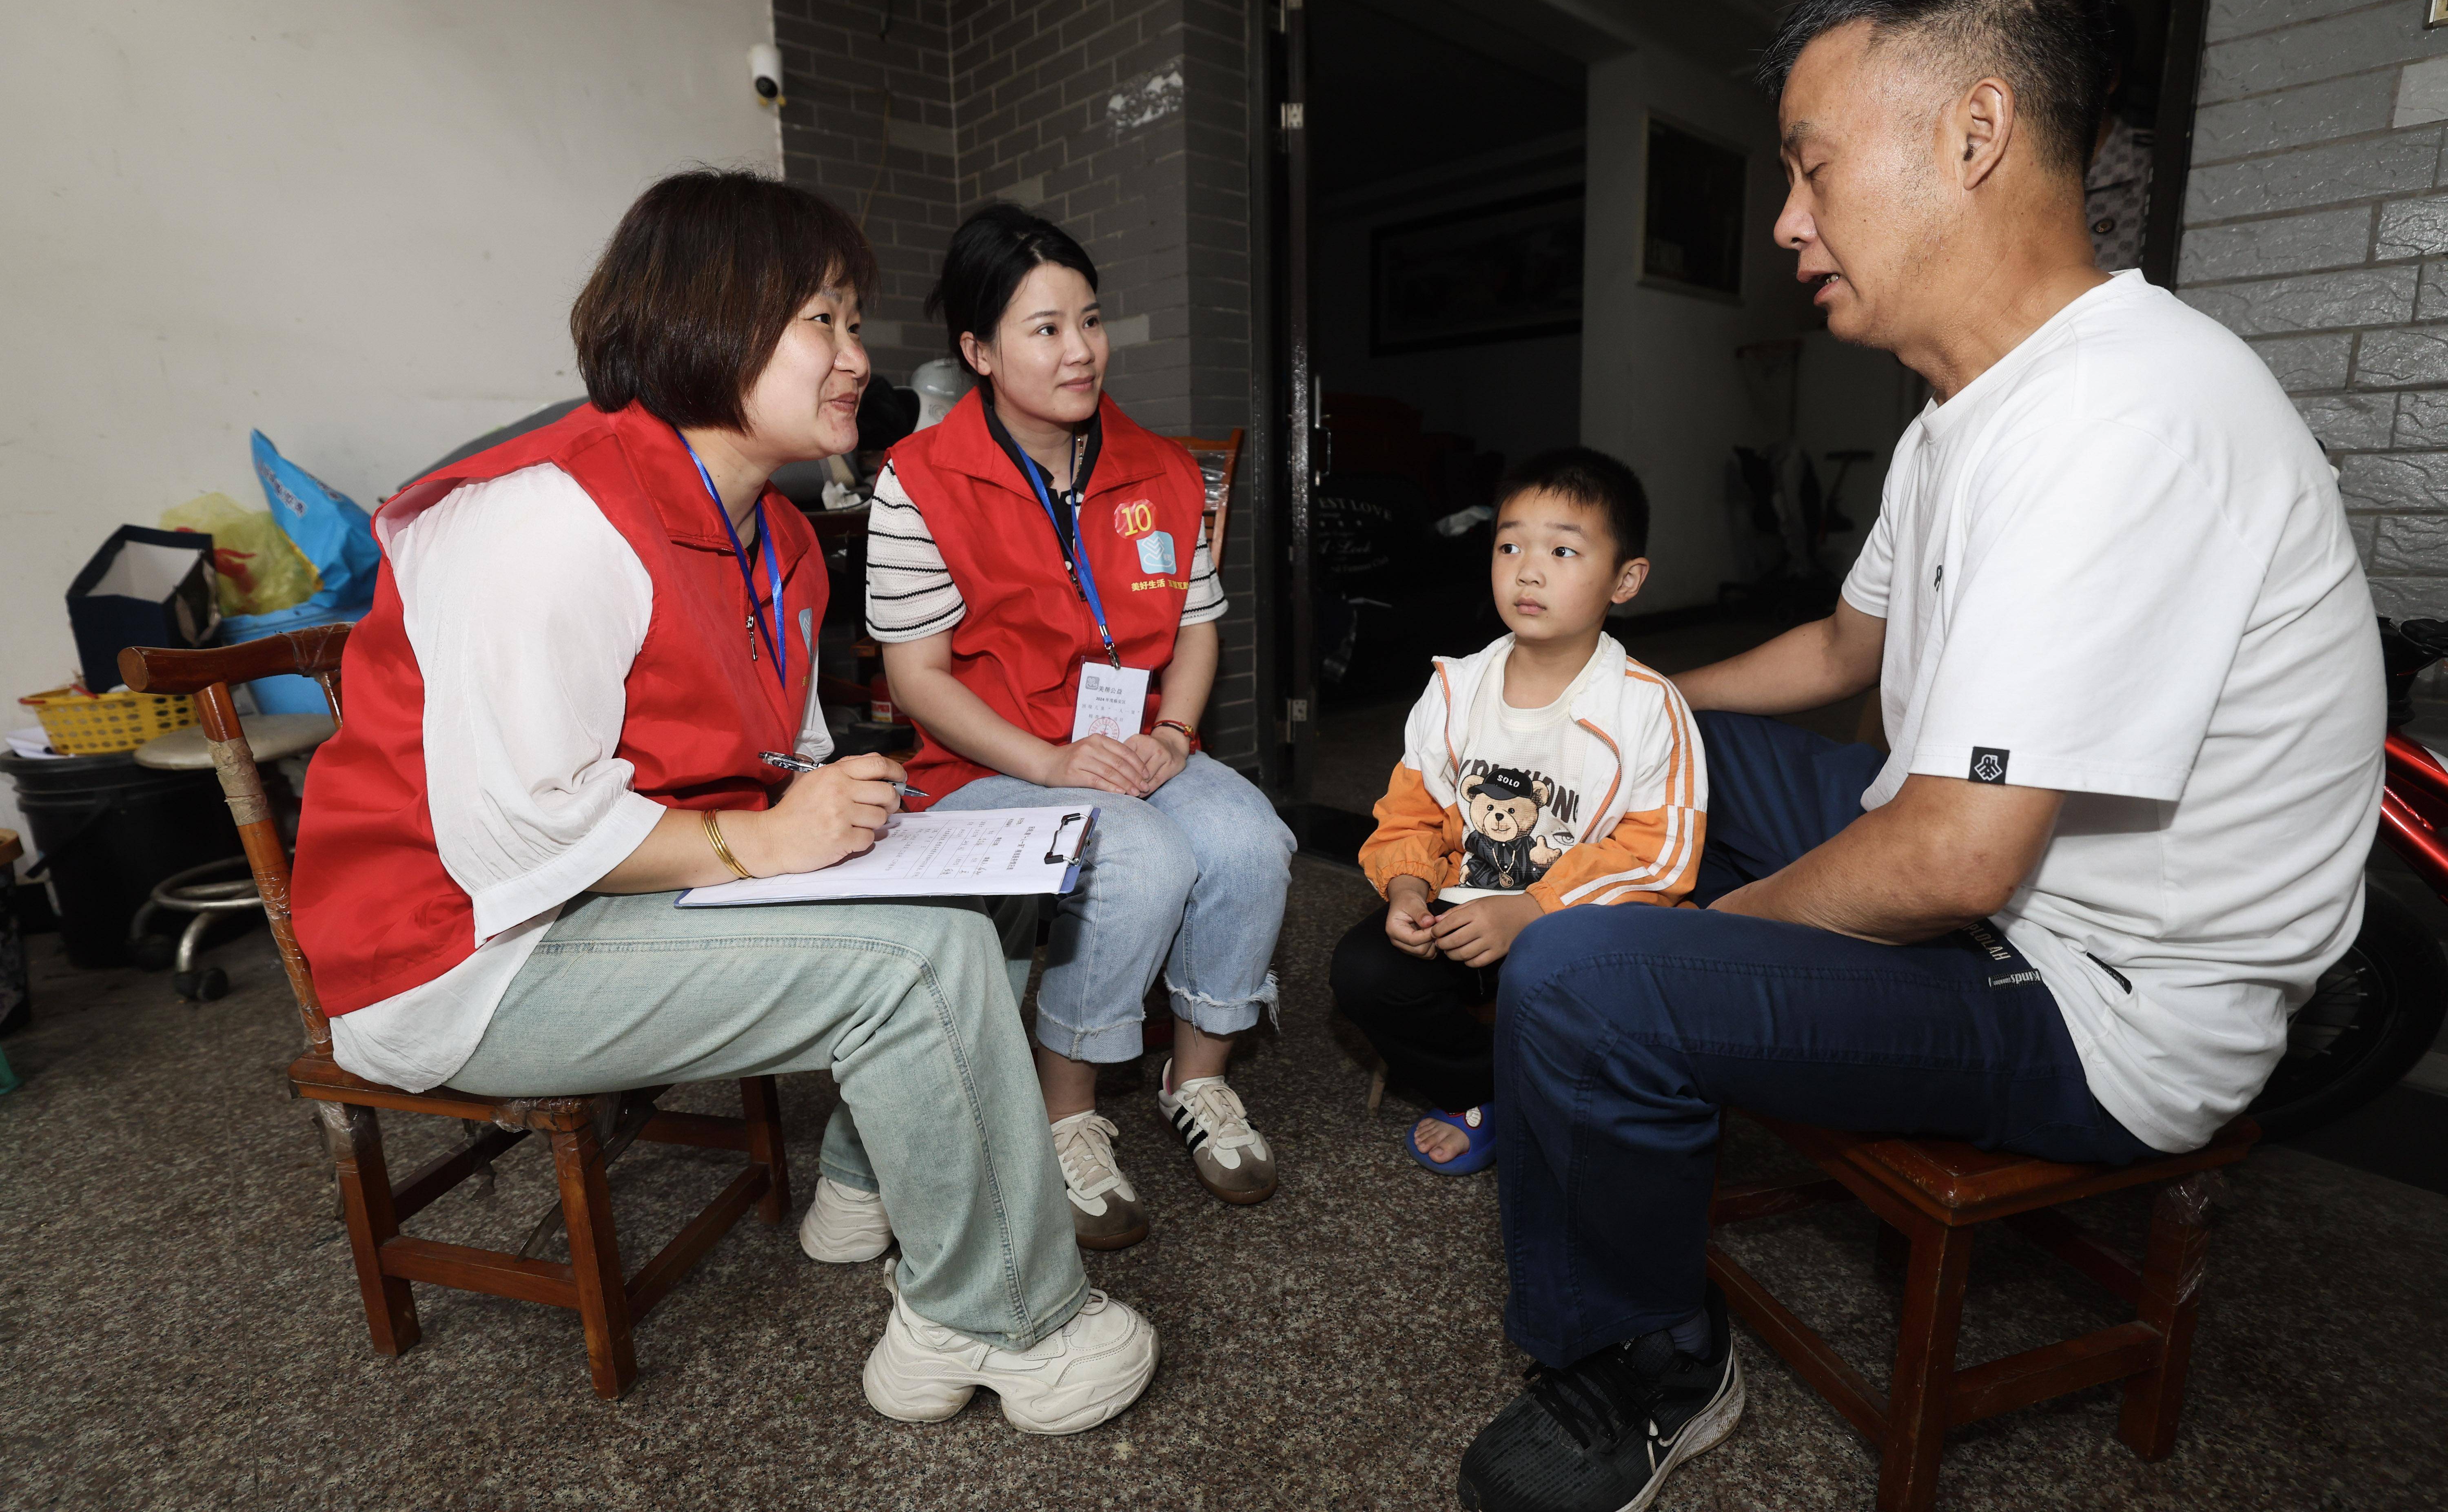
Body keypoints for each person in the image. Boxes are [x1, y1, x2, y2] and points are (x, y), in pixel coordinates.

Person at [1454, 0, 2385, 1512]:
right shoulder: (1976, 409)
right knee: (1635, 760)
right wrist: (1620, 700)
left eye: (1812, 168)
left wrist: (1697, 952)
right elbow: (1834, 643)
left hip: (2107, 1001)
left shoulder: (2127, 413)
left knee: (1594, 977)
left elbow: (1951, 862)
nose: (1786, 219)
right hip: (2003, 891)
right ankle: (1554, 1019)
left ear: (1973, 136)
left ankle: (1648, 1366)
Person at [290, 171, 1156, 1436]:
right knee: (914, 966)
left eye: (855, 322)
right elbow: (515, 833)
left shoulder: (785, 540)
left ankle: (876, 1177)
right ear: (708, 321)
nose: (860, 359)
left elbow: (778, 751)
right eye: (824, 321)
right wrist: (762, 835)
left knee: (1004, 879)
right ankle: (1003, 1320)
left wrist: (821, 807)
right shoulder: (544, 518)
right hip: (466, 955)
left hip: (628, 892)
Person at [854, 204, 1295, 1251]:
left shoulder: (1162, 468)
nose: (1080, 350)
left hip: (1131, 745)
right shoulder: (917, 483)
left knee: (1252, 840)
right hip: (990, 762)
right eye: (1044, 328)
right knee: (1137, 858)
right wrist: (1054, 760)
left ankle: (1199, 1083)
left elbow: (1194, 632)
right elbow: (918, 681)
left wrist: (1177, 736)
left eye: (1089, 320)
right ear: (978, 350)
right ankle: (1067, 1111)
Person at [1328, 448, 1704, 1175]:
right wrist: (1408, 888)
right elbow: (1411, 812)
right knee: (1365, 971)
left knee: (1636, 1011)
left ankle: (1563, 1088)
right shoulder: (1456, 688)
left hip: (1579, 930)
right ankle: (1487, 1087)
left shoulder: (1649, 707)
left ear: (1626, 579)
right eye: (1509, 546)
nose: (1527, 571)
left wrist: (1534, 910)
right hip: (1466, 916)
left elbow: (1662, 855)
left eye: (1563, 550)